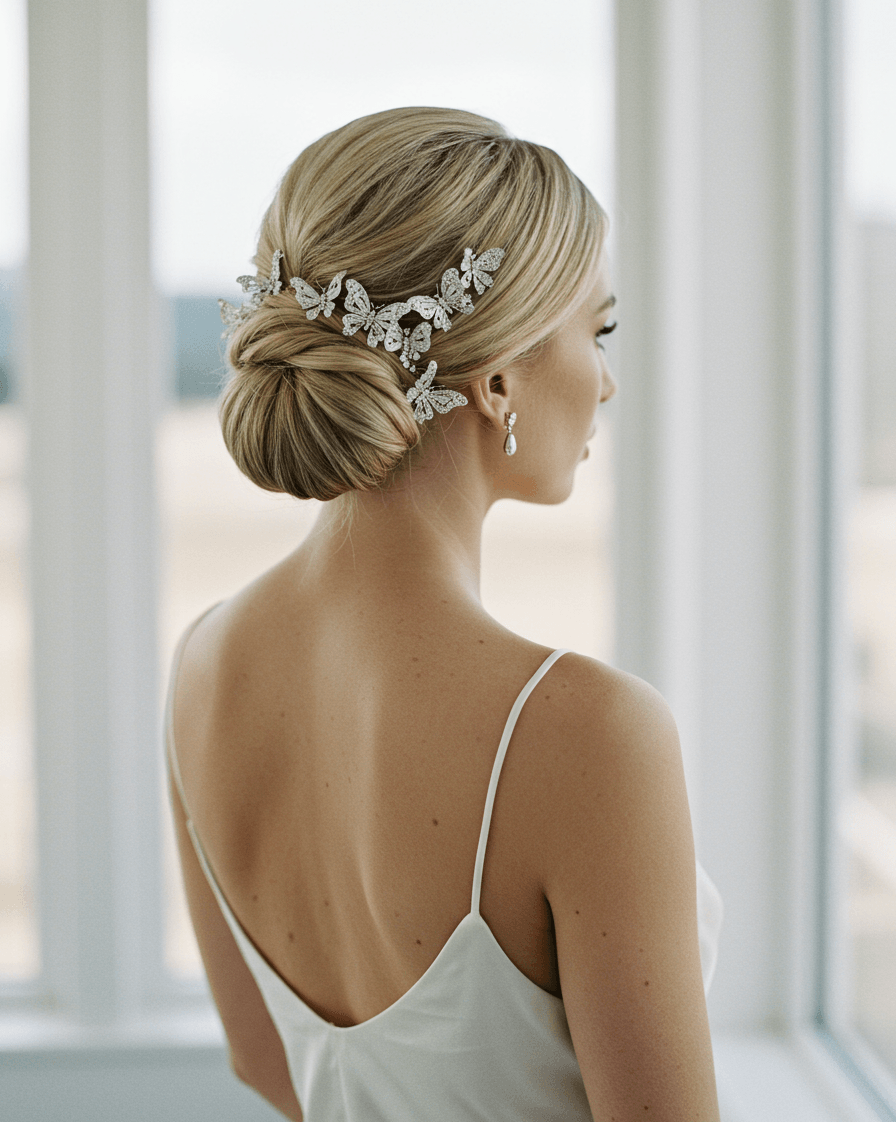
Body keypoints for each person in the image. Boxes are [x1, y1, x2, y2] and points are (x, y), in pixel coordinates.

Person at [165, 106, 723, 1121]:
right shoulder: (586, 731)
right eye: (595, 330)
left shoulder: (202, 660)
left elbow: (266, 1065)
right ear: (499, 372)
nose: (604, 379)